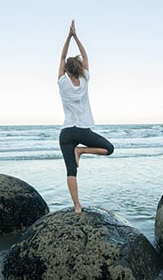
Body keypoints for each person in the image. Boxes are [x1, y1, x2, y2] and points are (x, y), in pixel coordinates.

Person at [57, 20, 114, 214]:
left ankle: (77, 206)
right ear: (79, 68)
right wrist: (76, 36)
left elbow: (62, 55)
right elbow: (86, 56)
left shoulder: (62, 83)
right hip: (81, 131)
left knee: (71, 171)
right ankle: (81, 151)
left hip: (65, 133)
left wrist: (68, 36)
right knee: (109, 149)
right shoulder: (84, 80)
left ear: (66, 69)